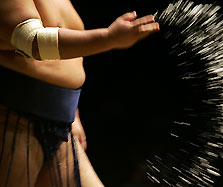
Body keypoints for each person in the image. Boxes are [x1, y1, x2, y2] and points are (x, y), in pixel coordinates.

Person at [0, 0, 160, 186]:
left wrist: (72, 112)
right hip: (13, 120)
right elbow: (32, 40)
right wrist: (108, 38)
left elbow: (70, 59)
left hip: (60, 124)